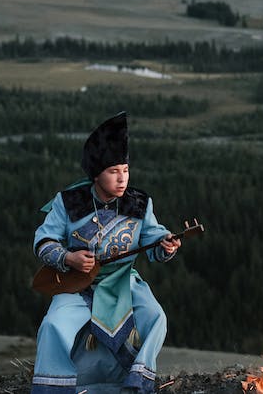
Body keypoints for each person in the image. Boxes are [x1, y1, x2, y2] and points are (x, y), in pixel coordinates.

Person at [31, 111, 182, 394]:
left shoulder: (139, 203)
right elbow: (44, 241)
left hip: (124, 282)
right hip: (77, 285)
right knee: (53, 325)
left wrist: (167, 244)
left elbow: (154, 239)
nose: (122, 178)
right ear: (96, 174)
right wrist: (68, 258)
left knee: (156, 316)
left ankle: (136, 385)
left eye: (125, 170)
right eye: (114, 172)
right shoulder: (69, 202)